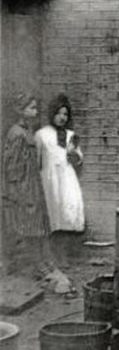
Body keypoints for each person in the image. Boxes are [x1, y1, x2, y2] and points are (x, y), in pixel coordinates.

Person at [2, 92, 52, 276]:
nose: (36, 111)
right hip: (24, 186)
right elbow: (12, 166)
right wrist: (17, 191)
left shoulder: (27, 131)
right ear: (21, 111)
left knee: (37, 225)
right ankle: (34, 266)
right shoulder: (16, 134)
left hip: (32, 183)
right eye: (32, 107)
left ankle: (41, 263)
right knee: (29, 226)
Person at [35, 94, 84, 264]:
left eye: (65, 114)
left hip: (67, 179)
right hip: (49, 180)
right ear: (52, 114)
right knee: (51, 216)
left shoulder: (71, 135)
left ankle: (64, 257)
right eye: (59, 113)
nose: (62, 117)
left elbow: (79, 160)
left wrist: (73, 154)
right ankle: (49, 258)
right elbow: (37, 161)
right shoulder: (41, 135)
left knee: (66, 213)